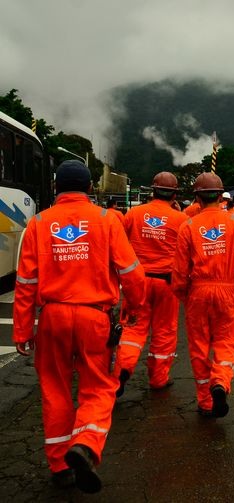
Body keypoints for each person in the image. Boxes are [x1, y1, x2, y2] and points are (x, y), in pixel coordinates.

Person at [13, 160, 145, 493]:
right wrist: (134, 303)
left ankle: (59, 465)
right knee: (99, 387)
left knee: (55, 389)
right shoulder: (106, 220)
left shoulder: (38, 223)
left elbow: (26, 282)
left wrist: (22, 330)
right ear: (89, 188)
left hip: (53, 317)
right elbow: (131, 272)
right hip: (94, 317)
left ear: (56, 187)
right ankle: (85, 443)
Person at [171, 172, 234, 418]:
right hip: (228, 290)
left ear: (196, 197)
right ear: (221, 196)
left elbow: (178, 272)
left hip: (198, 292)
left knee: (198, 347)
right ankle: (220, 382)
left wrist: (186, 296)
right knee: (226, 342)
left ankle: (206, 402)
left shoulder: (187, 226)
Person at [116, 171, 188, 396]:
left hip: (137, 282)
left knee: (133, 329)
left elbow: (121, 246)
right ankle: (158, 379)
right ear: (174, 194)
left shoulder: (134, 214)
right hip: (167, 284)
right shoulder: (182, 220)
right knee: (164, 331)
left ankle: (123, 369)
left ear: (152, 190)